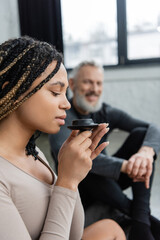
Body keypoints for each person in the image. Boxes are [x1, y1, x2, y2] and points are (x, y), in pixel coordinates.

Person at [0, 37, 127, 240]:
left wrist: (72, 178)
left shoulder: (33, 153)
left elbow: (73, 234)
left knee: (110, 228)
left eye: (64, 93)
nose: (67, 105)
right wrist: (66, 182)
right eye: (55, 92)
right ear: (13, 91)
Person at [49, 61, 160, 240]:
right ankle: (142, 219)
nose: (94, 88)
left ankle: (140, 218)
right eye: (87, 82)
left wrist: (146, 152)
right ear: (73, 83)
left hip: (108, 182)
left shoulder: (105, 112)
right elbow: (73, 160)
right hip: (82, 190)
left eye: (98, 83)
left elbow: (153, 128)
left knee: (141, 135)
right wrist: (125, 165)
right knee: (86, 164)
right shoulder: (62, 116)